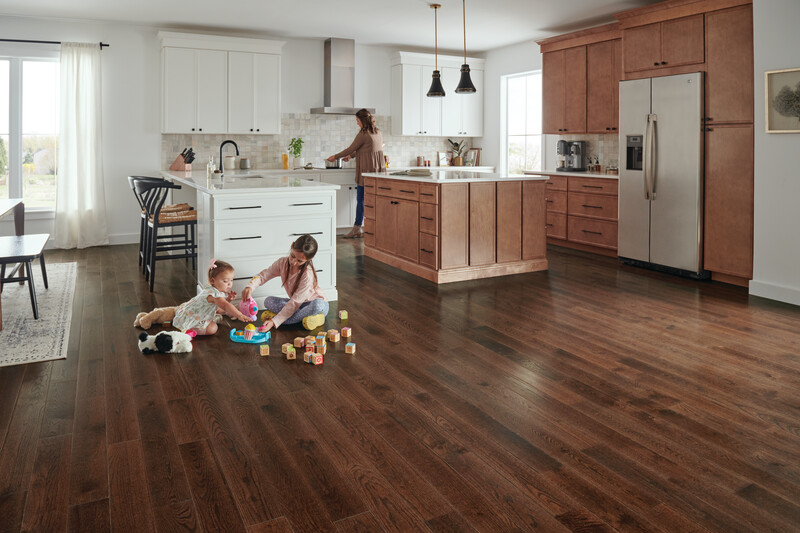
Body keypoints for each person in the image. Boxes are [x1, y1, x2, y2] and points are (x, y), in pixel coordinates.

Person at [240, 234, 329, 331]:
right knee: (268, 301)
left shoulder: (307, 274)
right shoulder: (282, 263)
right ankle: (304, 319)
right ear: (292, 245)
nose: (294, 262)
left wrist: (274, 321)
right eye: (292, 256)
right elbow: (264, 275)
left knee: (318, 305)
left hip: (313, 305)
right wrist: (250, 286)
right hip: (297, 306)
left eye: (299, 261)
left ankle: (289, 319)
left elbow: (294, 303)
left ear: (309, 259)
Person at [327, 108, 385, 238]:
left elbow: (351, 148)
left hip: (366, 171)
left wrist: (335, 156)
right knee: (375, 200)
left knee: (361, 199)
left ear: (363, 121)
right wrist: (351, 156)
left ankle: (357, 228)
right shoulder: (377, 132)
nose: (357, 123)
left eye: (357, 120)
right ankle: (375, 227)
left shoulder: (363, 134)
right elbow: (365, 149)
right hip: (378, 170)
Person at [172, 259, 253, 337]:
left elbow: (220, 307)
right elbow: (225, 306)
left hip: (189, 313)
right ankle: (189, 329)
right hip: (191, 319)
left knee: (217, 313)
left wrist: (228, 299)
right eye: (225, 281)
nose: (229, 284)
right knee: (212, 328)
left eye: (231, 280)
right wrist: (239, 315)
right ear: (212, 281)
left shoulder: (213, 290)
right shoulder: (214, 294)